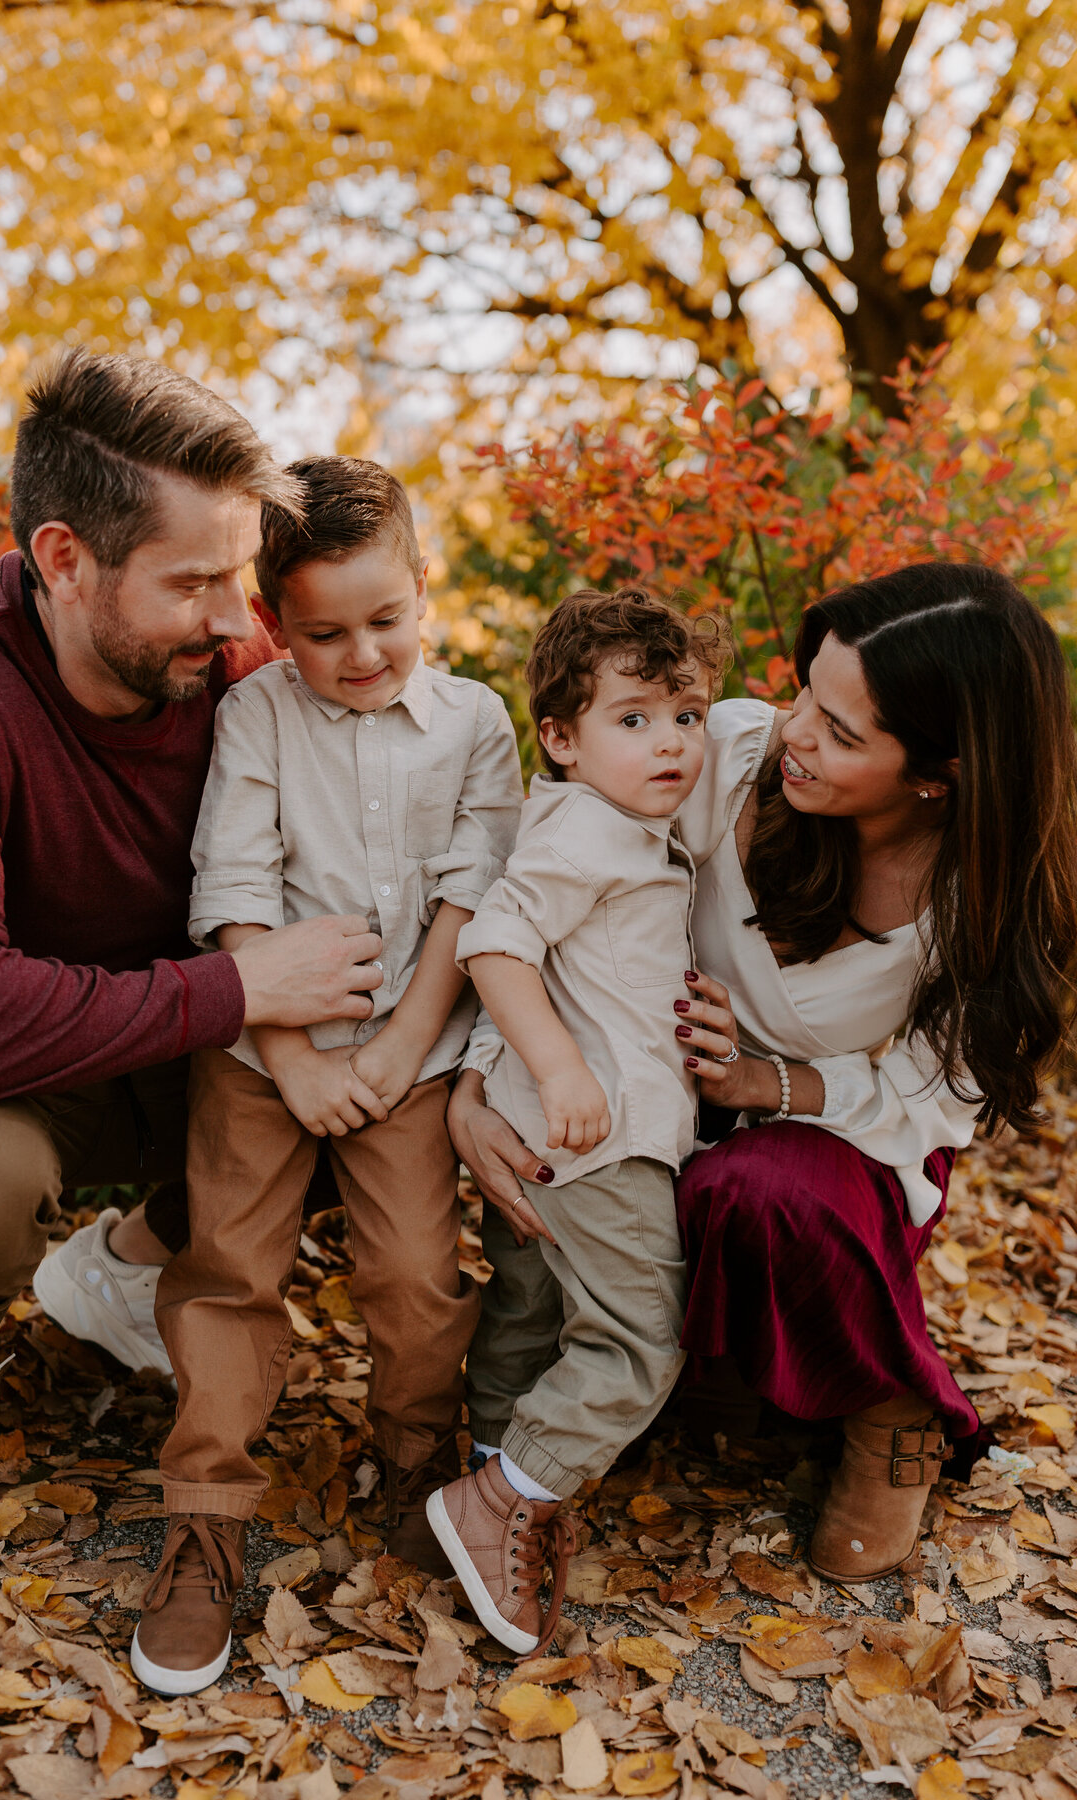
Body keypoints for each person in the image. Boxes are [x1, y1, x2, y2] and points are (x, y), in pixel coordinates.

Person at [449, 562, 1077, 1588]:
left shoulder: (978, 912)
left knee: (753, 1185)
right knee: (613, 1232)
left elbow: (932, 1103)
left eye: (842, 732)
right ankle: (681, 1395)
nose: (793, 734)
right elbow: (545, 911)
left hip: (837, 1150)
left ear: (942, 772)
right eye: (805, 695)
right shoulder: (722, 755)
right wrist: (481, 1082)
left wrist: (762, 1085)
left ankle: (891, 1411)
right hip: (639, 1106)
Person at [0, 353, 386, 1564]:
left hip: (182, 1048)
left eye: (241, 575)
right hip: (3, 1071)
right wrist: (241, 992)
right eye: (194, 582)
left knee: (363, 1077)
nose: (233, 618)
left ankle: (118, 1273)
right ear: (64, 561)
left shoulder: (244, 668)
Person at [130, 455, 524, 1697]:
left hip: (411, 1047)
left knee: (412, 1271)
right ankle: (205, 1519)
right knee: (230, 1268)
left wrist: (406, 1047)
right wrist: (295, 1064)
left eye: (385, 621)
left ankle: (416, 1460)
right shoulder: (255, 718)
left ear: (424, 584)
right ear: (271, 623)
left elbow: (476, 895)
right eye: (323, 633)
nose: (361, 655)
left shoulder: (477, 724)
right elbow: (232, 888)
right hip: (262, 1053)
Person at [426, 587, 730, 1655]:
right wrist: (558, 1070)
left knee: (530, 1317)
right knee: (641, 1339)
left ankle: (493, 1499)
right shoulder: (590, 833)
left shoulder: (617, 829)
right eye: (634, 719)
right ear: (557, 737)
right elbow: (496, 944)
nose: (672, 744)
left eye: (686, 717)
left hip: (559, 1132)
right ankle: (504, 1499)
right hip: (601, 1136)